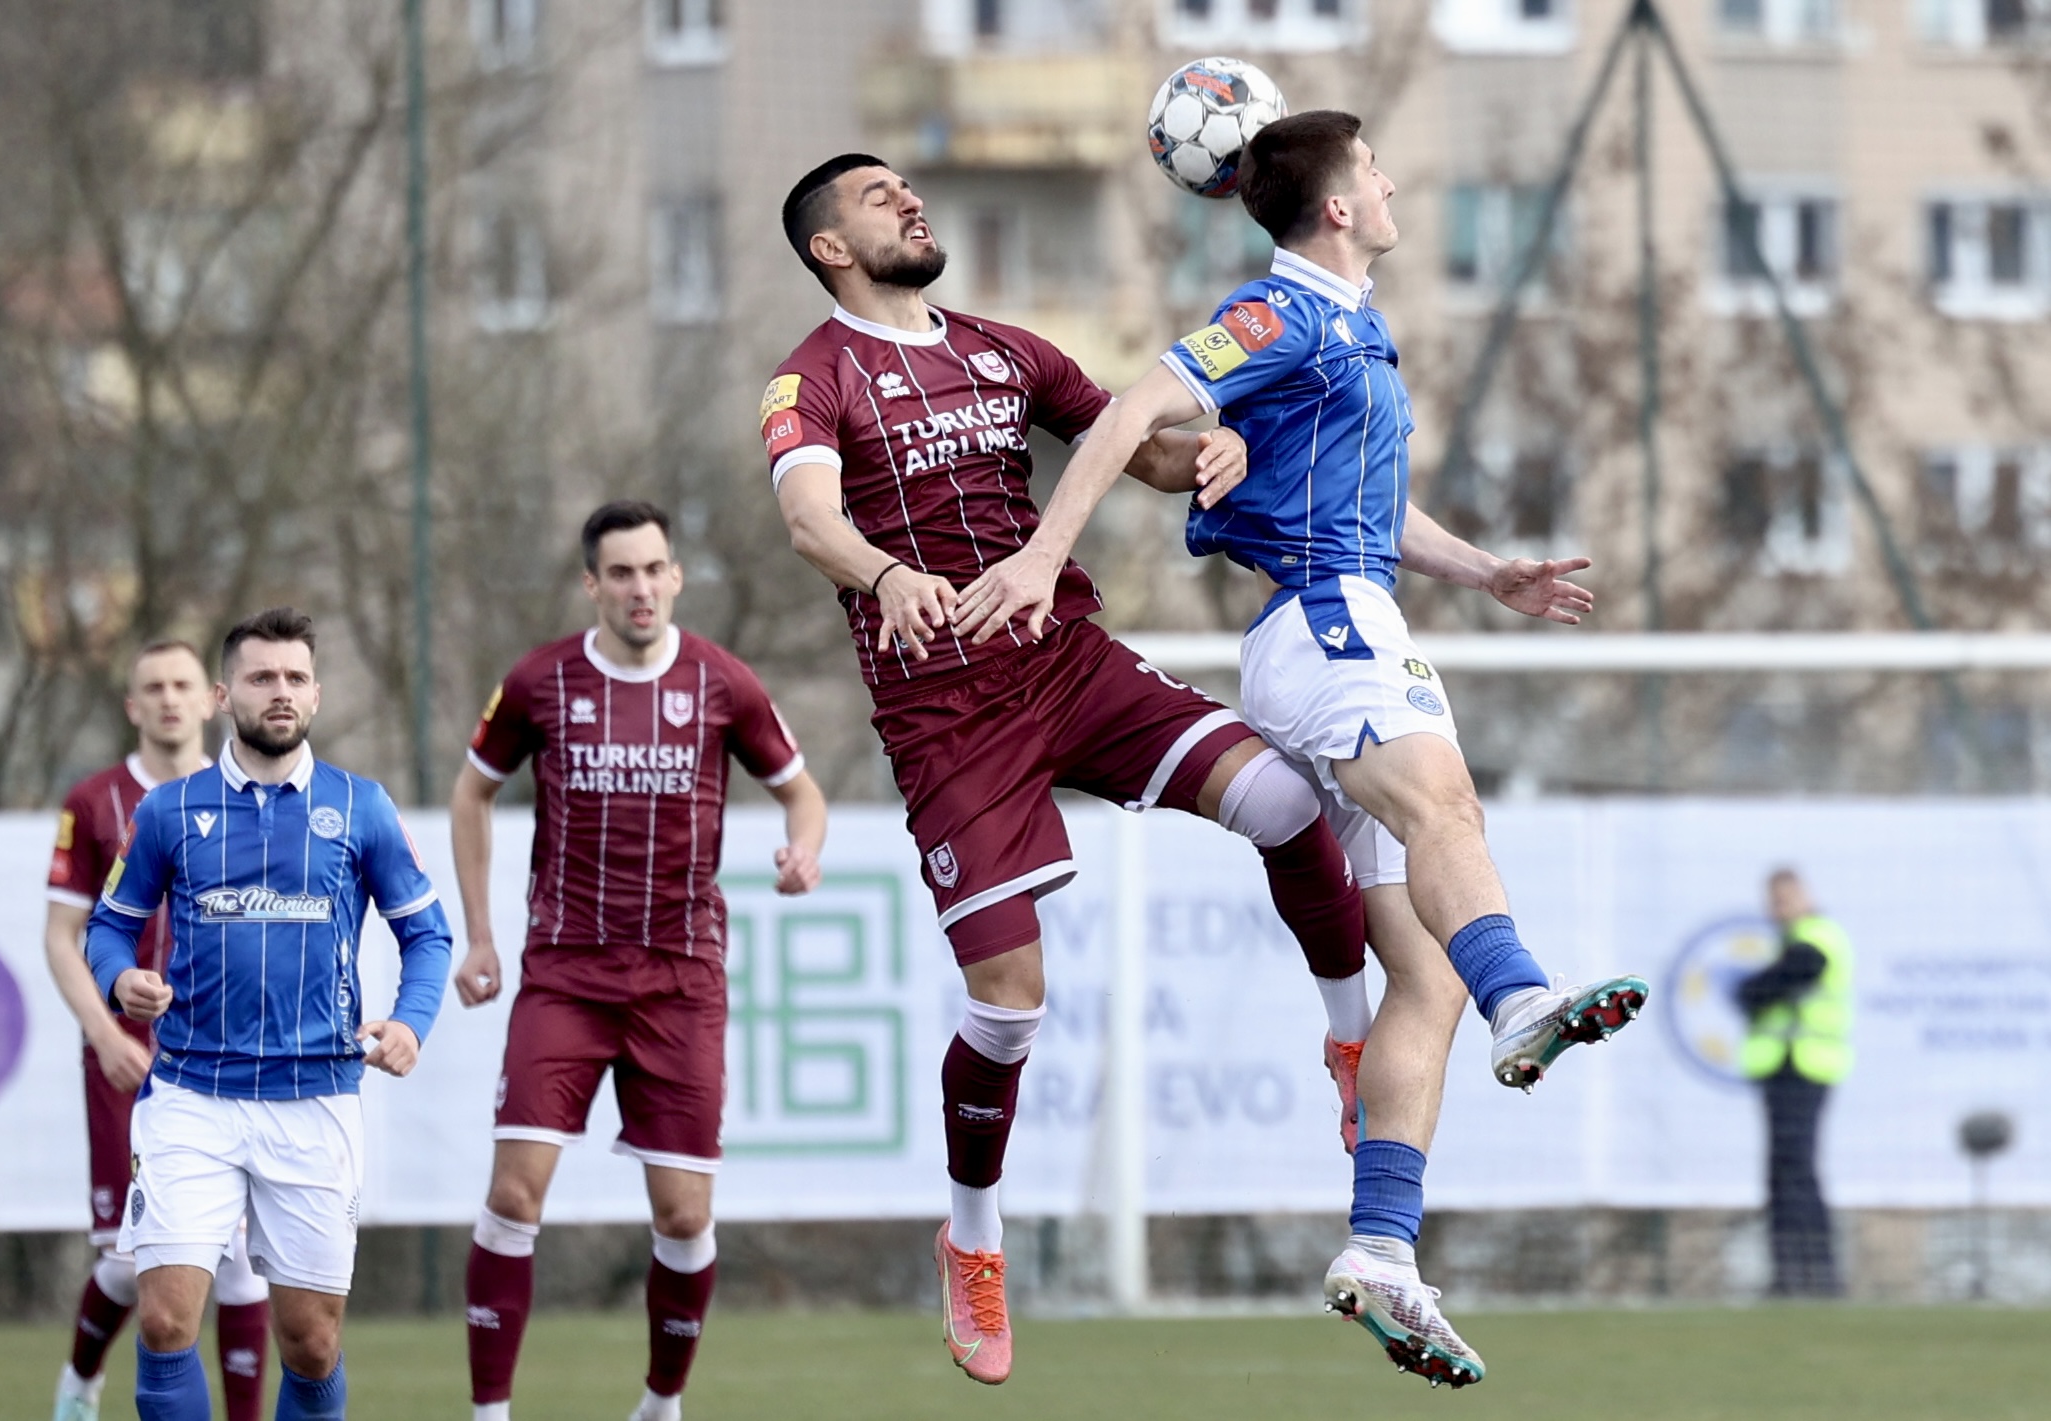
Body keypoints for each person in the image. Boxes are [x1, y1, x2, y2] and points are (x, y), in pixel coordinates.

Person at [962, 110, 1655, 1387]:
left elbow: (1372, 499)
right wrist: (1041, 555)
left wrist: (1487, 570)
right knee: (1449, 811)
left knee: (1419, 980)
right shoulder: (1281, 315)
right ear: (1335, 206)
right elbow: (1127, 414)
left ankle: (1381, 1249)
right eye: (1376, 173)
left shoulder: (1346, 331)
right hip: (1327, 623)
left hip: (1344, 615)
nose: (1392, 184)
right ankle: (1527, 999)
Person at [768, 153, 1371, 1387]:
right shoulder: (812, 375)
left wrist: (1203, 449)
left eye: (909, 192)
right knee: (1007, 1006)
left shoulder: (1003, 349)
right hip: (945, 712)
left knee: (1279, 797)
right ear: (829, 246)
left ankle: (1353, 1044)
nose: (909, 203)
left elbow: (1128, 445)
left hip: (1065, 657)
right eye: (878, 199)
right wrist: (884, 574)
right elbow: (808, 519)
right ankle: (974, 1238)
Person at [452, 500, 828, 1421]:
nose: (639, 587)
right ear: (592, 584)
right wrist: (482, 935)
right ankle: (489, 1412)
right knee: (512, 1192)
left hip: (680, 980)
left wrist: (803, 848)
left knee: (685, 1216)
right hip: (565, 973)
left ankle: (661, 1404)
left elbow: (801, 791)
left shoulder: (719, 683)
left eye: (653, 568)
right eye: (620, 572)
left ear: (676, 576)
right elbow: (471, 793)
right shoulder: (539, 681)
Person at [84, 607, 453, 1421]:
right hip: (191, 1093)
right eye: (260, 677)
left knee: (311, 1343)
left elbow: (427, 934)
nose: (278, 692)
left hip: (315, 1098)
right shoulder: (170, 811)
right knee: (166, 1317)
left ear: (316, 694)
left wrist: (408, 1022)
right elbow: (107, 926)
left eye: (293, 678)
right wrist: (119, 981)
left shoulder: (361, 807)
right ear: (225, 694)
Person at [44, 641, 270, 1421]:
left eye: (182, 684)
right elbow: (61, 935)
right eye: (152, 687)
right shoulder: (96, 800)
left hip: (232, 1058)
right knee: (130, 1254)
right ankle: (78, 1385)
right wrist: (104, 1033)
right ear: (133, 705)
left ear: (210, 698)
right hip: (131, 1060)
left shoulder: (252, 792)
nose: (169, 699)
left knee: (241, 1256)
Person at [1737, 868, 1851, 1297]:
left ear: (1804, 897)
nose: (1778, 908)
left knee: (1797, 1173)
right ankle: (1791, 1274)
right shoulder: (1791, 942)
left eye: (1785, 898)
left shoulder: (1818, 936)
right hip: (1782, 1067)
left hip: (1805, 1067)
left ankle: (1816, 1275)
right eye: (1774, 900)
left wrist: (1754, 990)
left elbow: (1796, 972)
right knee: (1784, 1174)